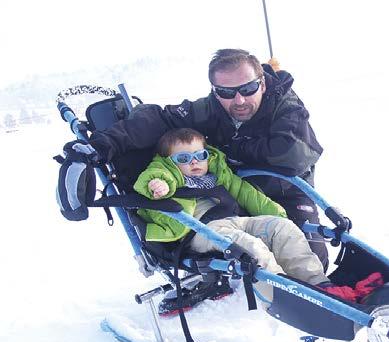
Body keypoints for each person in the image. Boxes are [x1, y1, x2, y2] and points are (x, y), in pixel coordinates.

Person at [86, 48, 328, 268]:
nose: (239, 100)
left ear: (262, 84)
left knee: (312, 258)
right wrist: (100, 145)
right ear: (215, 91)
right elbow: (160, 118)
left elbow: (291, 154)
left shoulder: (285, 105)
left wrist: (229, 150)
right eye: (226, 92)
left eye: (248, 88)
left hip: (284, 191)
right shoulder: (210, 109)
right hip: (231, 196)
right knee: (252, 251)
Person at [134, 128, 362, 301]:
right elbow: (150, 178)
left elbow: (247, 194)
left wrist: (277, 215)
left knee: (283, 229)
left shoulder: (218, 174)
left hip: (235, 221)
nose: (194, 162)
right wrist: (158, 184)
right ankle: (283, 291)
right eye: (183, 159)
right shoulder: (167, 176)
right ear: (169, 162)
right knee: (247, 246)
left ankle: (320, 285)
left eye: (200, 155)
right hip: (199, 233)